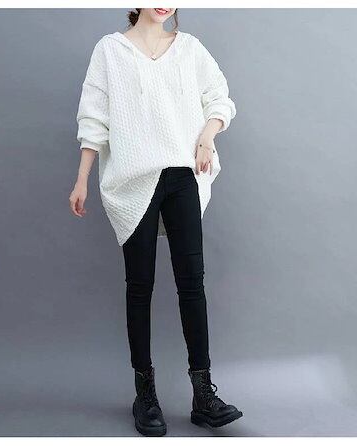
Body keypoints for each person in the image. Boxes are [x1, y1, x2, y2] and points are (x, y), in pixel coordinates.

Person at [69, 8, 242, 437]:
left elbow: (219, 98)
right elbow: (94, 117)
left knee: (192, 284)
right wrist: (82, 179)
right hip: (132, 180)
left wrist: (207, 136)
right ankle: (145, 394)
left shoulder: (190, 49)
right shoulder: (110, 51)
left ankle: (203, 394)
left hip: (183, 175)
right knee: (140, 285)